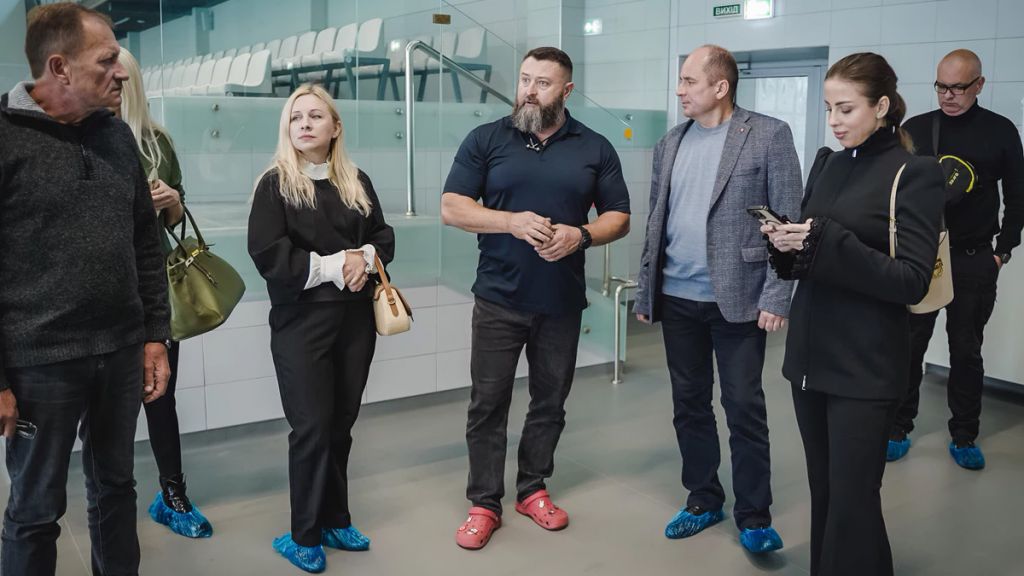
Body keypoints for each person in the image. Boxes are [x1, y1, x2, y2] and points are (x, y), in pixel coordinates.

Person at [0, 4, 171, 576]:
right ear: (60, 67)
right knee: (35, 509)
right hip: (39, 362)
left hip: (120, 351)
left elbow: (145, 242)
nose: (121, 72)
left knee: (116, 488)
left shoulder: (116, 135)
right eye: (107, 60)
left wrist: (155, 336)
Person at [441, 47, 630, 550]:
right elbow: (452, 207)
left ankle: (532, 489)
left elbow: (619, 217)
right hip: (497, 299)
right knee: (487, 405)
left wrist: (580, 236)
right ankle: (484, 502)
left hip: (561, 302)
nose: (529, 90)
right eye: (525, 79)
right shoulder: (486, 139)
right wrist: (510, 221)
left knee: (550, 403)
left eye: (542, 83)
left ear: (566, 91)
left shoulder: (594, 147)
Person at [764, 52, 944, 576]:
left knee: (853, 498)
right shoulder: (828, 163)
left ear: (881, 106)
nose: (835, 121)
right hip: (810, 357)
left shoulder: (915, 173)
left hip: (866, 362)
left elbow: (911, 279)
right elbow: (814, 255)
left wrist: (826, 241)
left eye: (846, 109)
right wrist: (786, 244)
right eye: (829, 109)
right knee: (825, 491)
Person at [633, 44, 802, 553]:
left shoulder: (768, 135)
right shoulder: (670, 142)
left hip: (739, 299)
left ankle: (754, 516)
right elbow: (656, 221)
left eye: (689, 81)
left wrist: (778, 295)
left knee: (743, 406)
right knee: (689, 403)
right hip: (677, 297)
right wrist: (646, 290)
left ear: (720, 86)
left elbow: (788, 224)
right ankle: (703, 499)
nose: (680, 90)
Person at [248, 83, 395, 573]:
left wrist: (365, 257)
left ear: (336, 127)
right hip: (301, 323)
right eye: (296, 117)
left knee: (340, 425)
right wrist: (338, 265)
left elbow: (383, 236)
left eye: (315, 115)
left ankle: (335, 519)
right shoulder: (275, 185)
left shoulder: (356, 180)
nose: (305, 124)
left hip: (355, 322)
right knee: (311, 428)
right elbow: (270, 256)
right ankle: (304, 535)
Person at [888, 49, 1024, 468]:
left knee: (966, 351)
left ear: (979, 85)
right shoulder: (916, 129)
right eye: (941, 86)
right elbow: (893, 191)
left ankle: (964, 435)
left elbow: (1018, 196)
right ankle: (897, 427)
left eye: (958, 88)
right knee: (909, 346)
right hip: (922, 257)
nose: (948, 95)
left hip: (974, 258)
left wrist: (1002, 251)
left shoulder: (1000, 131)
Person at [113, 47, 214, 539]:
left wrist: (172, 201)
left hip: (152, 288)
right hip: (102, 293)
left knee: (160, 394)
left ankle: (173, 494)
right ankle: (111, 499)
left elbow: (175, 218)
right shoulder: (79, 138)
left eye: (118, 78)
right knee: (110, 406)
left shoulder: (157, 143)